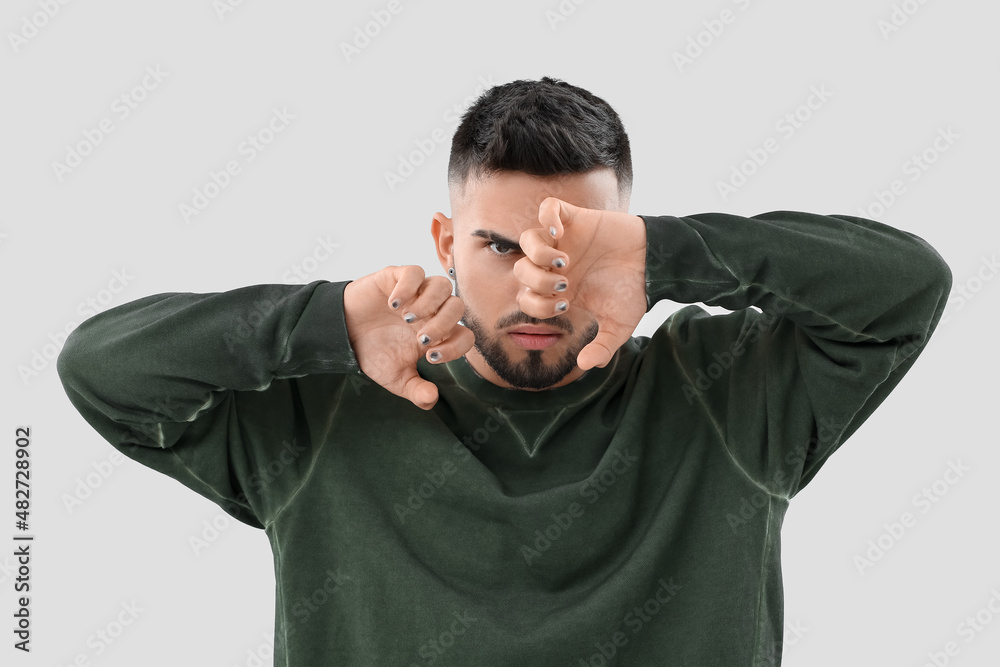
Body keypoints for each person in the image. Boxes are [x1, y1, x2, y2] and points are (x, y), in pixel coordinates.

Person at [57, 76, 952, 666]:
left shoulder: (727, 391)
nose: (538, 288)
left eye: (576, 244)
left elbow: (908, 289)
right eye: (498, 245)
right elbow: (102, 369)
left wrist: (672, 254)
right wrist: (320, 321)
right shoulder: (330, 407)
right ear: (446, 243)